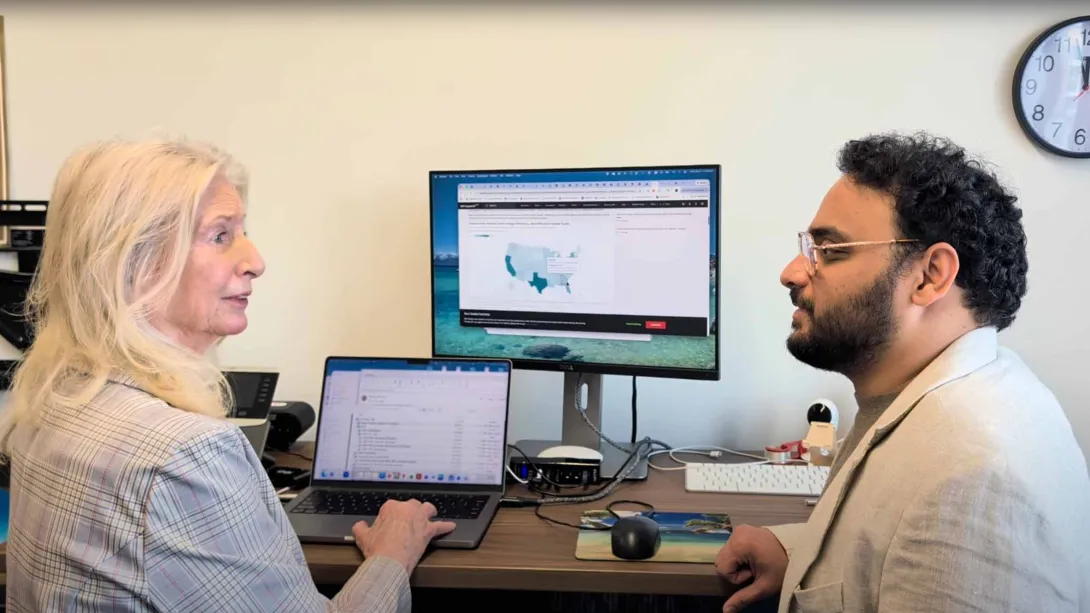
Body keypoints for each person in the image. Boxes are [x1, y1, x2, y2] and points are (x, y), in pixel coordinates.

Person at [0, 139, 455, 612]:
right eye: (220, 236)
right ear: (134, 262)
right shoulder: (185, 456)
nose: (255, 261)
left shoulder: (51, 402)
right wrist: (391, 556)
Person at [715, 132, 1090, 613]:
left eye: (830, 251)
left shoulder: (977, 480)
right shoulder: (937, 395)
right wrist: (795, 551)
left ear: (931, 276)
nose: (792, 272)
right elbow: (890, 538)